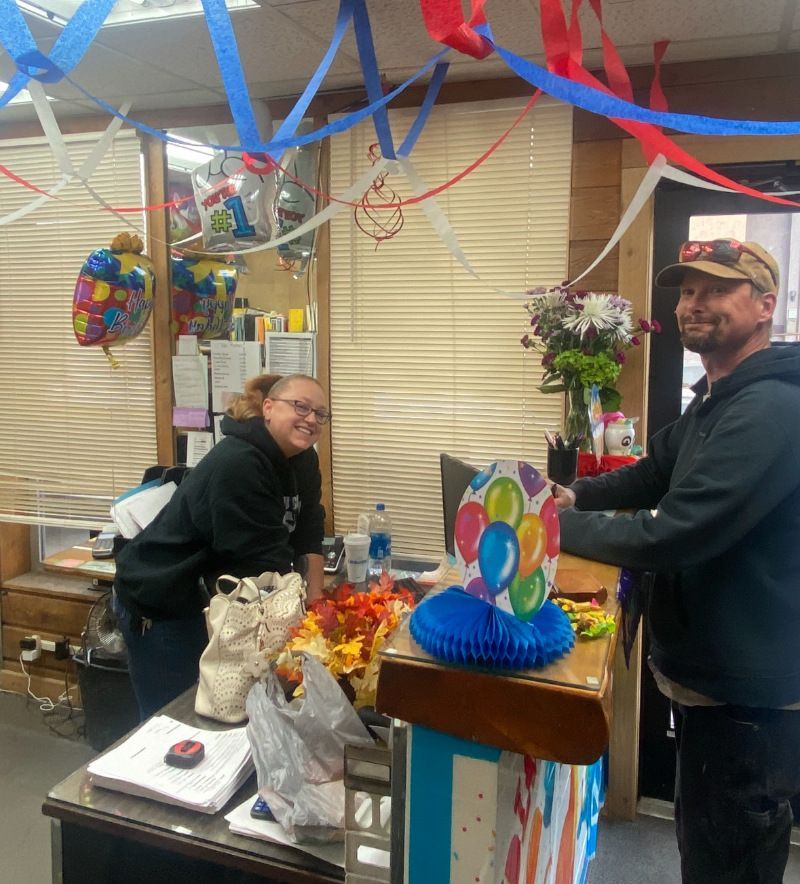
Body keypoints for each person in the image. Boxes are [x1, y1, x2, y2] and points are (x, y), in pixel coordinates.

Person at [552, 239, 800, 883]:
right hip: (709, 674)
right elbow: (651, 471)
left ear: (765, 305)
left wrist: (551, 527)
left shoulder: (770, 406)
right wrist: (573, 493)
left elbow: (673, 534)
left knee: (729, 859)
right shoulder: (717, 396)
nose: (695, 304)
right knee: (707, 840)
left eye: (717, 289)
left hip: (743, 690)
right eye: (688, 291)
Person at [113, 373, 328, 719]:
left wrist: (316, 599)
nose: (311, 419)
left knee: (221, 709)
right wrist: (305, 625)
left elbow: (309, 530)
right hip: (163, 599)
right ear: (269, 408)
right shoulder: (240, 463)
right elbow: (262, 563)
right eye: (300, 407)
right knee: (175, 721)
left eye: (320, 414)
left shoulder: (303, 460)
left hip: (217, 597)